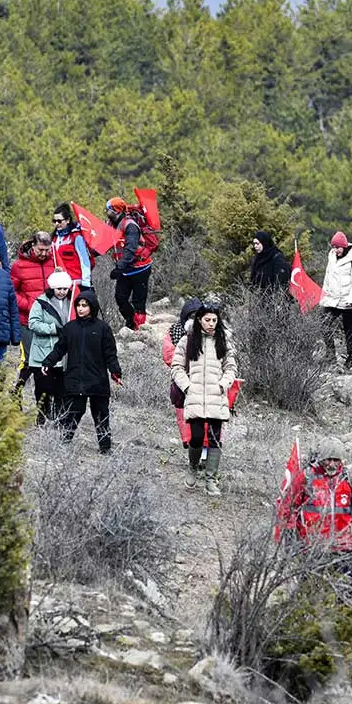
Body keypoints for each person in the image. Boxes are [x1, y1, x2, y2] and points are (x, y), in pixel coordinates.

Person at [275, 437, 352, 591]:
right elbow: (289, 508)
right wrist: (290, 534)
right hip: (312, 547)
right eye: (328, 460)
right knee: (309, 593)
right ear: (320, 459)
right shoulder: (307, 477)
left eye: (336, 460)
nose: (332, 464)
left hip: (342, 548)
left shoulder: (350, 479)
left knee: (344, 595)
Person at [42, 289, 122, 454]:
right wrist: (48, 362)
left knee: (101, 416)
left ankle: (105, 449)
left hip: (97, 381)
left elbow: (110, 354)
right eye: (78, 305)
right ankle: (64, 444)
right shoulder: (70, 328)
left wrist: (115, 372)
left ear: (92, 307)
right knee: (71, 414)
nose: (80, 308)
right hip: (75, 380)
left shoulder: (103, 328)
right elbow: (59, 349)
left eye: (84, 305)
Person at [171, 302, 239, 496]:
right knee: (197, 436)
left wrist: (223, 384)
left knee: (216, 439)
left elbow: (231, 367)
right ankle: (193, 468)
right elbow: (176, 366)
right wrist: (187, 386)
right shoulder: (188, 340)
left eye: (214, 320)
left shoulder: (223, 340)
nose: (211, 324)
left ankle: (211, 479)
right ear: (199, 320)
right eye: (207, 320)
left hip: (216, 397)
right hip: (195, 396)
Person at [10, 232, 56, 394]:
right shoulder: (19, 266)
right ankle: (17, 391)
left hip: (50, 322)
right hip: (27, 321)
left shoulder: (55, 263)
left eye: (47, 250)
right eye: (40, 250)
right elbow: (11, 292)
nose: (44, 254)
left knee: (50, 360)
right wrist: (30, 304)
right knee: (31, 359)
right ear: (33, 246)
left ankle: (45, 399)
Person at [27, 271, 74, 425]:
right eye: (59, 288)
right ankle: (41, 417)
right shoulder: (41, 302)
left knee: (61, 390)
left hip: (62, 356)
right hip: (42, 353)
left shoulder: (72, 302)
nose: (62, 292)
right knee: (42, 389)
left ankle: (59, 419)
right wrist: (53, 328)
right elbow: (33, 323)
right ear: (52, 287)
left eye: (65, 289)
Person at [106, 196, 155, 329]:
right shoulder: (111, 225)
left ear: (117, 211)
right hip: (125, 269)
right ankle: (131, 322)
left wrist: (119, 267)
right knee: (120, 298)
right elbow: (103, 242)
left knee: (138, 301)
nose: (107, 213)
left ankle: (140, 329)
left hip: (140, 268)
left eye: (109, 210)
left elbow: (130, 249)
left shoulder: (130, 225)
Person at [319, 231, 352, 369]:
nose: (335, 250)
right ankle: (330, 354)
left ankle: (351, 358)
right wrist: (324, 297)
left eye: (337, 247)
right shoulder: (332, 257)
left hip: (349, 301)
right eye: (333, 247)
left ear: (344, 246)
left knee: (348, 329)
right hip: (332, 300)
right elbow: (327, 278)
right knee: (324, 324)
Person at [164, 298, 202, 449]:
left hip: (202, 379)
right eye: (190, 316)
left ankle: (202, 444)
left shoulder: (209, 333)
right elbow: (168, 355)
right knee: (182, 411)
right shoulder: (175, 331)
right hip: (181, 379)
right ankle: (187, 440)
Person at [52, 203, 93, 289]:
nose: (56, 224)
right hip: (61, 285)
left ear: (67, 220)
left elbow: (84, 260)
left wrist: (86, 282)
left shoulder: (76, 237)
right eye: (54, 221)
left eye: (59, 221)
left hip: (77, 283)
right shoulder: (54, 239)